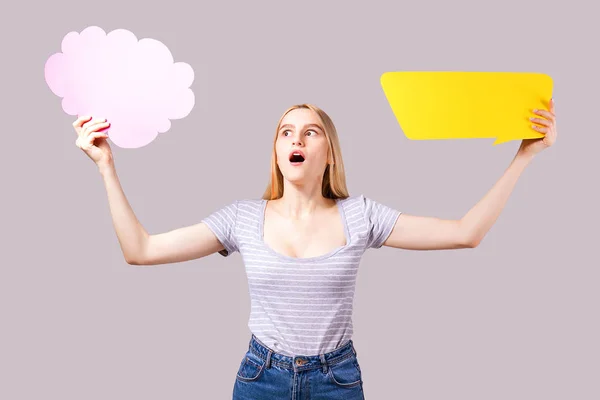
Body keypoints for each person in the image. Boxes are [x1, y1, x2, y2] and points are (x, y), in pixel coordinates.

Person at [73, 100, 557, 399]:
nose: (296, 138)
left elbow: (466, 231)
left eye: (311, 131)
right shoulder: (242, 218)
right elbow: (140, 249)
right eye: (286, 132)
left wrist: (524, 155)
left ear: (328, 151)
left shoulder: (360, 215)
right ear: (278, 153)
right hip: (261, 379)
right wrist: (105, 167)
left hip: (337, 381)